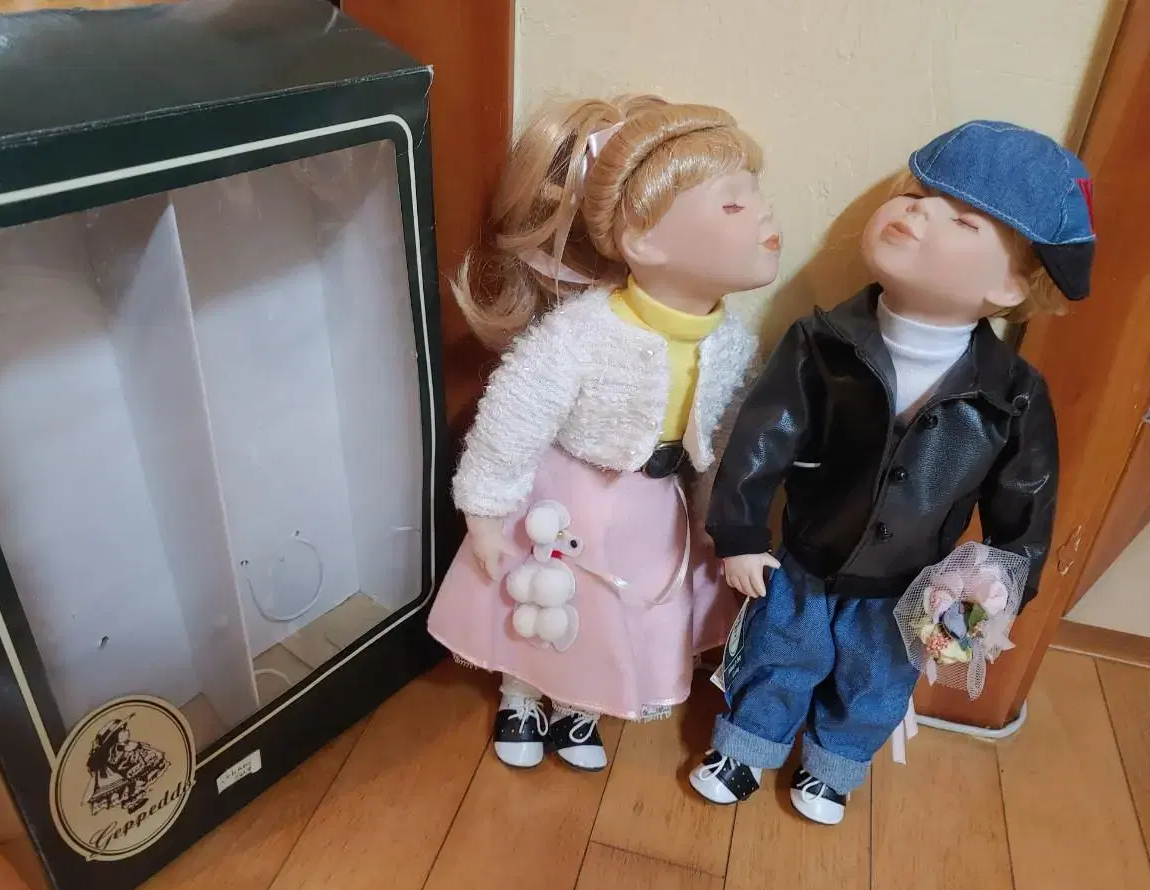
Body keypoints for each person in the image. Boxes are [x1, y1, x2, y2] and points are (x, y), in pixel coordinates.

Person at [690, 120, 1094, 824]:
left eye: (961, 219)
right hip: (805, 561)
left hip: (913, 589)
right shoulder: (822, 344)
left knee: (877, 680)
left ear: (1009, 286)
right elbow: (763, 437)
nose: (917, 212)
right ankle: (747, 744)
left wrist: (982, 607)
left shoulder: (1014, 394)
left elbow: (1024, 514)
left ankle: (834, 767)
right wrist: (739, 532)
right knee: (780, 652)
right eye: (914, 193)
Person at [427, 94, 779, 771]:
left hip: (653, 504)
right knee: (544, 604)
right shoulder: (584, 333)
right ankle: (522, 694)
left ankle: (580, 711)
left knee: (620, 614)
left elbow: (729, 437)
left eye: (757, 196)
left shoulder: (729, 340)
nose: (764, 214)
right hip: (568, 496)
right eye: (733, 205)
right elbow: (514, 414)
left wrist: (721, 521)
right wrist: (488, 510)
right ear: (643, 242)